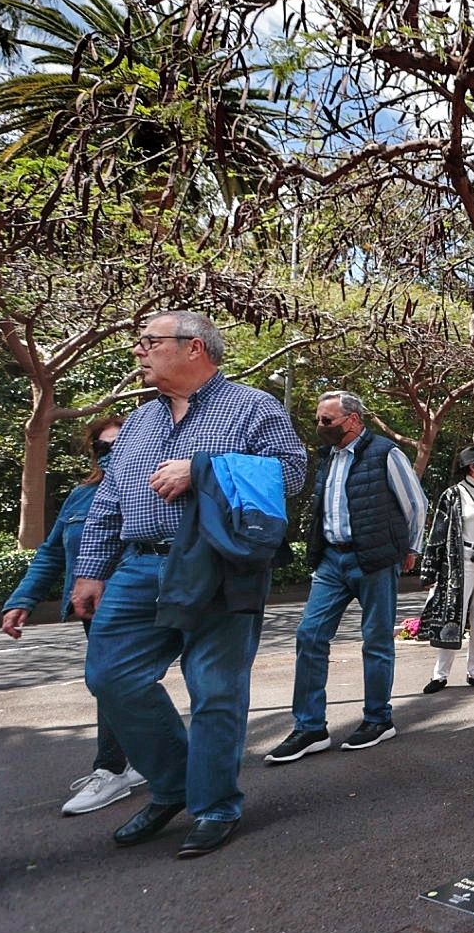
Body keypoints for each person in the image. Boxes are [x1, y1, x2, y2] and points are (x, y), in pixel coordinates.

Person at [70, 311, 306, 858]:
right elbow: (108, 499)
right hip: (138, 566)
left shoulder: (253, 406)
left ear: (194, 348)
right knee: (111, 677)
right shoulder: (137, 422)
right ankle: (175, 787)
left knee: (215, 690)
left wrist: (201, 466)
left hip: (219, 566)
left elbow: (290, 474)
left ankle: (215, 804)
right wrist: (91, 569)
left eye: (150, 342)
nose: (139, 352)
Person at [265, 391, 427, 766]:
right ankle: (310, 727)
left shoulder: (385, 453)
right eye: (319, 419)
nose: (320, 427)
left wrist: (411, 549)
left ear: (353, 420)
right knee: (309, 634)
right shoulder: (328, 458)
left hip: (373, 559)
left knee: (375, 641)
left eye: (327, 420)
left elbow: (415, 504)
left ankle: (377, 719)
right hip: (332, 561)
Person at [1, 415, 144, 815]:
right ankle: (137, 761)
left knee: (110, 680)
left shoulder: (150, 488)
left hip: (134, 601)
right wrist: (22, 600)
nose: (111, 454)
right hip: (91, 608)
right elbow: (49, 552)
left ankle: (112, 769)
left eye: (120, 445)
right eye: (103, 448)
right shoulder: (80, 497)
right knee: (118, 683)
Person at [419, 445, 474, 694]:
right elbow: (437, 532)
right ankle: (440, 674)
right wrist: (429, 569)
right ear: (473, 467)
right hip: (461, 560)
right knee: (454, 616)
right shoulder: (452, 495)